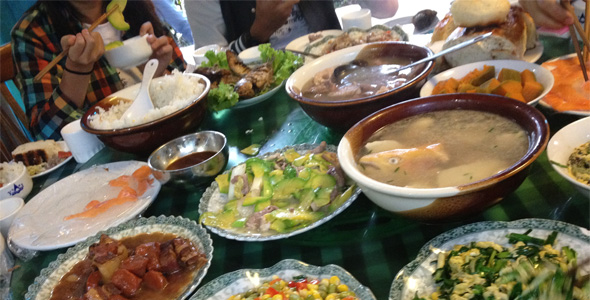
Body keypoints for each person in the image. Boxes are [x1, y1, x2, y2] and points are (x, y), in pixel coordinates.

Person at [11, 0, 186, 141]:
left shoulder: (134, 6)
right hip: (108, 159)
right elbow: (47, 134)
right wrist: (77, 70)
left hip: (169, 133)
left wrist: (158, 74)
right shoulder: (33, 31)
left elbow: (188, 84)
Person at [184, 0, 399, 53]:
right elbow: (211, 67)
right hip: (267, 108)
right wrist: (259, 32)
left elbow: (387, 8)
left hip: (338, 68)